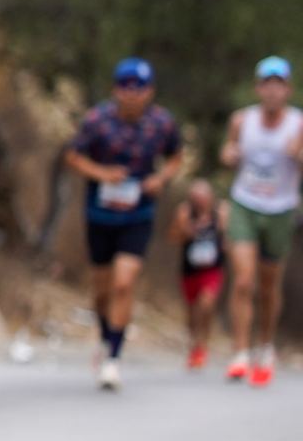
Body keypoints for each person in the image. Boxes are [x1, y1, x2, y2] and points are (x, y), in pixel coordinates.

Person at [63, 58, 184, 392]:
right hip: (100, 214)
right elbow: (73, 156)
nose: (132, 95)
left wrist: (161, 178)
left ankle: (113, 358)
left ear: (150, 92)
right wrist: (103, 174)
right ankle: (105, 337)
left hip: (138, 214)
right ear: (116, 90)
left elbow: (176, 156)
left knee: (124, 283)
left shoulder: (162, 123)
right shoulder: (98, 120)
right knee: (102, 289)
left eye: (140, 88)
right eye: (126, 88)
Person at [219, 56, 302, 387]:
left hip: (280, 209)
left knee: (269, 287)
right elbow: (227, 152)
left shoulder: (298, 124)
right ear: (258, 88)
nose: (271, 91)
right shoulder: (242, 121)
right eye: (266, 84)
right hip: (245, 204)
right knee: (243, 280)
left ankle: (264, 346)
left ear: (288, 90)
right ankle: (240, 351)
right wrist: (229, 155)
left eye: (278, 85)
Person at [169, 181, 229, 371]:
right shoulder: (185, 212)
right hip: (190, 269)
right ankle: (194, 344)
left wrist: (223, 230)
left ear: (210, 197)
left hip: (212, 269)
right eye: (195, 198)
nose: (199, 201)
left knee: (207, 303)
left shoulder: (220, 212)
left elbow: (230, 239)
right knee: (191, 310)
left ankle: (203, 343)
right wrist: (186, 230)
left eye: (202, 197)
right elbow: (173, 237)